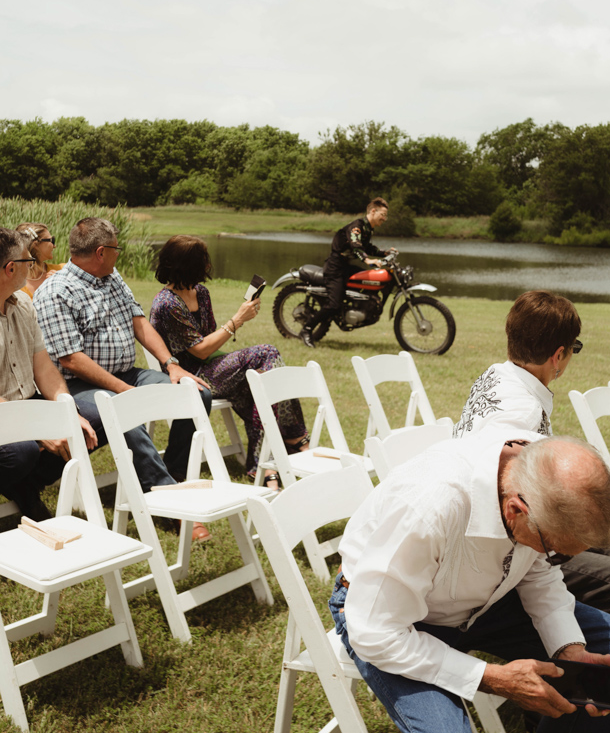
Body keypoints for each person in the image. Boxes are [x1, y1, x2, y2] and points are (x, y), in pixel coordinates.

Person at [330, 428, 610, 733]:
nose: (552, 557)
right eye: (554, 550)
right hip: (393, 617)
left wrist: (568, 648)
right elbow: (374, 632)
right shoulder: (429, 505)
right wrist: (493, 678)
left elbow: (537, 571)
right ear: (515, 509)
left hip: (483, 600)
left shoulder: (535, 472)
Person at [455, 289, 610, 630]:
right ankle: (595, 670)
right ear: (558, 355)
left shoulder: (496, 375)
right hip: (500, 548)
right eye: (574, 349)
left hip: (499, 529)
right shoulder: (520, 413)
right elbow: (516, 504)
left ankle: (605, 642)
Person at [33, 218, 213, 516]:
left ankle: (174, 475)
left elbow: (139, 322)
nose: (120, 254)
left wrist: (172, 365)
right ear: (101, 252)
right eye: (116, 249)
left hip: (127, 373)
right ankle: (163, 499)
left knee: (195, 393)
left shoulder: (112, 277)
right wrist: (125, 391)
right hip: (77, 386)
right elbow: (71, 359)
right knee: (123, 408)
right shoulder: (55, 291)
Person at [149, 236, 308, 489]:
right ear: (187, 265)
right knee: (267, 353)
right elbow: (200, 351)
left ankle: (264, 462)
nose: (208, 266)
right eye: (203, 261)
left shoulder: (200, 292)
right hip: (189, 376)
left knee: (260, 382)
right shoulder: (167, 303)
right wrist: (237, 320)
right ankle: (292, 442)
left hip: (212, 366)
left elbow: (211, 337)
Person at [0, 227, 98, 520]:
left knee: (92, 422)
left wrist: (67, 411)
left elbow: (43, 367)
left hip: (28, 402)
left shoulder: (24, 303)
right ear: (10, 269)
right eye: (29, 261)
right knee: (22, 451)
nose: (33, 266)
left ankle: (24, 487)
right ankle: (25, 491)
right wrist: (37, 428)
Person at [300, 197, 392, 348]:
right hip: (334, 268)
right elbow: (356, 245)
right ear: (373, 211)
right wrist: (367, 260)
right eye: (383, 214)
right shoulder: (357, 226)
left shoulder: (368, 229)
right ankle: (307, 329)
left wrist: (384, 253)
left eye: (386, 215)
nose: (385, 218)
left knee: (366, 281)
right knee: (334, 304)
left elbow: (366, 247)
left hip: (346, 267)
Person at [16, 222, 64, 299]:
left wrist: (63, 281)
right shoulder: (12, 282)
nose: (54, 246)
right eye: (51, 240)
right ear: (36, 245)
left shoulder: (62, 271)